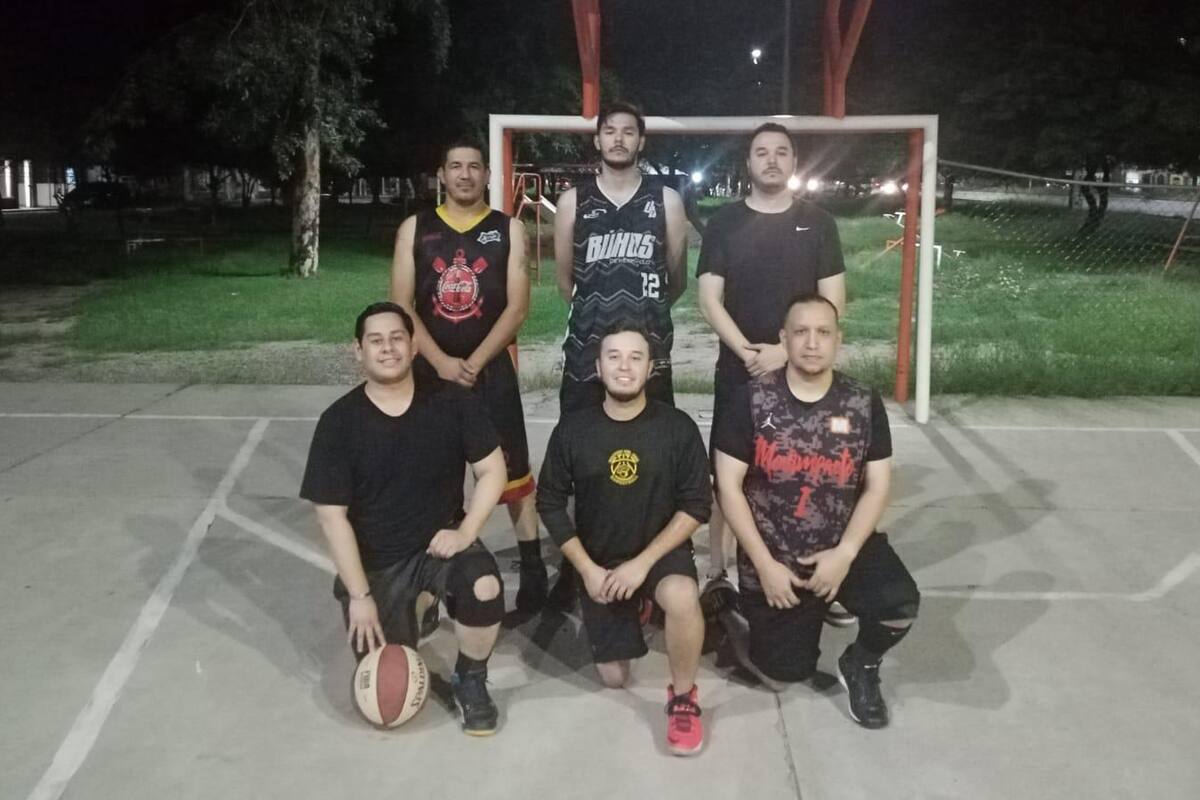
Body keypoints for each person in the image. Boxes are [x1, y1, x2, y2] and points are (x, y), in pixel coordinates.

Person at [300, 302, 509, 736]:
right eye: (375, 341)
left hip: (437, 544)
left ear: (414, 345)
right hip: (378, 561)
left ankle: (470, 679)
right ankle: (418, 602)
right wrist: (359, 595)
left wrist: (466, 530)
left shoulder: (452, 403)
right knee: (385, 677)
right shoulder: (338, 423)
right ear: (357, 351)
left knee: (484, 588)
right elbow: (331, 518)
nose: (388, 348)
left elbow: (493, 470)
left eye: (397, 338)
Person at [712, 294, 919, 729]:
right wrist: (764, 565)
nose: (812, 343)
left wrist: (845, 554)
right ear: (783, 339)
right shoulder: (750, 400)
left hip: (841, 546)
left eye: (823, 332)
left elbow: (878, 485)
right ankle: (730, 609)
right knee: (782, 676)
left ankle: (861, 664)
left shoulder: (862, 402)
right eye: (801, 332)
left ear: (838, 340)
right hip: (776, 558)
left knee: (899, 605)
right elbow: (727, 487)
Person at [537, 322, 712, 756]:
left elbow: (696, 506)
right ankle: (626, 605)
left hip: (659, 555)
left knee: (684, 597)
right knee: (615, 677)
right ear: (597, 367)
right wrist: (587, 570)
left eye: (636, 357)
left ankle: (684, 698)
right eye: (613, 356)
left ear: (651, 368)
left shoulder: (677, 428)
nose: (624, 366)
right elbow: (550, 503)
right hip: (600, 562)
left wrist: (643, 565)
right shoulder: (574, 430)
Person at [696, 122, 848, 614]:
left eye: (781, 152)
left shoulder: (819, 223)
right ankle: (718, 572)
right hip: (740, 371)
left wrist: (785, 353)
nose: (772, 160)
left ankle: (818, 570)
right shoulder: (723, 223)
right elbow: (709, 298)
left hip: (802, 372)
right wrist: (747, 353)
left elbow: (833, 302)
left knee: (811, 473)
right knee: (728, 476)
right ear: (749, 163)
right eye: (762, 152)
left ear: (794, 161)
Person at [391, 140, 547, 613]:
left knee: (513, 472)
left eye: (474, 167)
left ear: (485, 174)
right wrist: (438, 361)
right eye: (455, 166)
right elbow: (401, 306)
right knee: (432, 476)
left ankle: (534, 571)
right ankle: (429, 576)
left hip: (490, 369)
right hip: (430, 372)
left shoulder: (509, 229)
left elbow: (517, 308)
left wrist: (475, 362)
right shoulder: (415, 228)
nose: (465, 174)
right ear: (442, 173)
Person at [550, 101, 689, 607]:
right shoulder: (573, 201)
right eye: (610, 131)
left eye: (628, 132)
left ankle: (652, 564)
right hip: (588, 356)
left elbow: (677, 279)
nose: (618, 140)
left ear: (641, 141)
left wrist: (639, 326)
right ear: (597, 141)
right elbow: (567, 282)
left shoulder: (666, 201)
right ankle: (578, 564)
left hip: (650, 356)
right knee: (581, 465)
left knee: (656, 463)